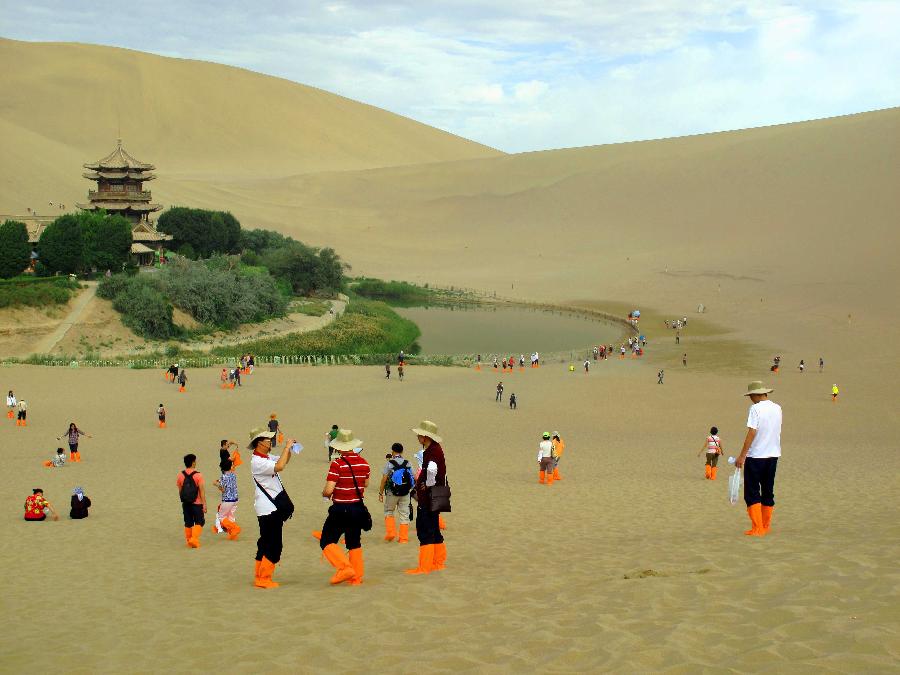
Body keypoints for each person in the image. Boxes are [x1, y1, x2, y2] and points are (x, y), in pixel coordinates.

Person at [319, 429, 369, 585]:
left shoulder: (337, 464)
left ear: (339, 447)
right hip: (357, 507)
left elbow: (328, 490)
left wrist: (325, 494)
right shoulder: (363, 462)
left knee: (326, 540)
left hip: (341, 508)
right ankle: (356, 577)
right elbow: (365, 483)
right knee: (354, 542)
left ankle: (344, 567)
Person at [250, 427, 296, 589]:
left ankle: (258, 574)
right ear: (259, 443)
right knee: (274, 544)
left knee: (264, 542)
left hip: (267, 507)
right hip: (268, 508)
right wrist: (286, 447)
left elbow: (284, 461)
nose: (270, 441)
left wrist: (289, 450)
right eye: (267, 440)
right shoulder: (257, 461)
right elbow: (280, 466)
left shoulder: (265, 456)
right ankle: (264, 578)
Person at [735, 381, 782, 536]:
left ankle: (757, 527)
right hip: (773, 455)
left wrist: (742, 456)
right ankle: (765, 526)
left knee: (752, 492)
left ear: (756, 395)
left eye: (750, 396)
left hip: (756, 456)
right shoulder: (777, 408)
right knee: (768, 491)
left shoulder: (755, 409)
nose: (750, 399)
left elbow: (752, 432)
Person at [406, 420, 448, 575]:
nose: (418, 437)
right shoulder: (436, 449)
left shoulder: (432, 451)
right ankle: (438, 562)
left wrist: (428, 484)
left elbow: (431, 469)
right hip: (437, 494)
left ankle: (425, 566)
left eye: (419, 435)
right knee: (434, 529)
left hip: (429, 496)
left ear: (425, 436)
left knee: (425, 529)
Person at [379, 442, 413, 544]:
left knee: (389, 511)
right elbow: (414, 477)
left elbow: (384, 479)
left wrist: (380, 493)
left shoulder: (390, 463)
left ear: (392, 451)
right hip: (405, 492)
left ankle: (391, 533)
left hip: (392, 492)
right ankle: (403, 538)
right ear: (402, 451)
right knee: (404, 514)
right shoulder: (408, 463)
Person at [176, 453, 207, 548]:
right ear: (193, 463)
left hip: (186, 503)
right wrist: (204, 504)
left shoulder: (180, 475)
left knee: (188, 523)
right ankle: (194, 539)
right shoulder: (198, 475)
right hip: (197, 503)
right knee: (200, 522)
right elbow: (202, 491)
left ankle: (189, 540)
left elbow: (180, 490)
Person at [212, 456, 241, 541]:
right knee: (230, 516)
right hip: (235, 499)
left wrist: (216, 484)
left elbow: (222, 489)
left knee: (221, 517)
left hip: (228, 500)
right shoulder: (233, 474)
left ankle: (234, 528)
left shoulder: (223, 477)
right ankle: (232, 534)